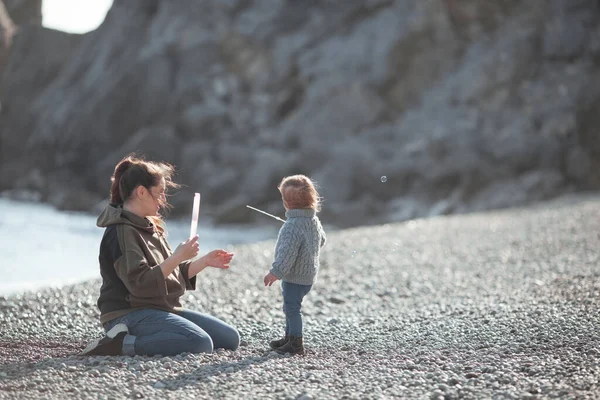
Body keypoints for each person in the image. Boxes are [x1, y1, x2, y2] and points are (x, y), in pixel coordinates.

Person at [81, 154, 240, 356]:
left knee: (229, 338)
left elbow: (168, 273)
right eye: (160, 193)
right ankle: (118, 344)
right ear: (141, 192)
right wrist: (177, 257)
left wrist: (204, 261)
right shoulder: (122, 231)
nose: (163, 200)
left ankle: (139, 338)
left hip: (158, 308)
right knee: (199, 343)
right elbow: (141, 283)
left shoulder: (150, 225)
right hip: (129, 313)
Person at [263, 175, 326, 355]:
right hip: (308, 275)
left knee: (292, 309)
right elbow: (322, 240)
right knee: (290, 307)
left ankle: (296, 343)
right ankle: (289, 337)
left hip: (294, 277)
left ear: (286, 202)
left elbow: (287, 254)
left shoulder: (292, 226)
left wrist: (275, 272)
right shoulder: (313, 220)